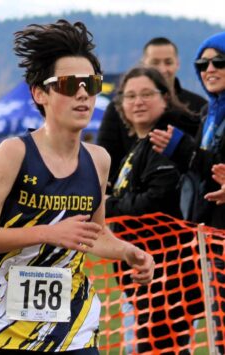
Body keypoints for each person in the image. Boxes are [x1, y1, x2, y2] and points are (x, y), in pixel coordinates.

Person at [0, 20, 154, 354]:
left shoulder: (98, 159)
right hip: (10, 336)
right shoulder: (14, 153)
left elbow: (94, 233)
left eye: (90, 84)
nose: (82, 94)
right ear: (40, 93)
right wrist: (48, 233)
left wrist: (127, 252)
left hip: (75, 333)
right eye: (68, 84)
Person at [106, 66, 198, 354]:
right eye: (130, 95)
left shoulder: (163, 140)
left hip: (167, 271)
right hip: (143, 270)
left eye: (147, 94)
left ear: (165, 98)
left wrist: (108, 205)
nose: (138, 101)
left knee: (159, 347)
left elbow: (155, 202)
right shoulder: (140, 144)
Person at [149, 31, 225, 354]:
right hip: (210, 233)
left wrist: (185, 151)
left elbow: (214, 164)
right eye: (202, 63)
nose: (209, 69)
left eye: (219, 61)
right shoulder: (209, 113)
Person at [97, 37, 207, 189]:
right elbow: (106, 156)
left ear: (178, 63)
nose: (162, 69)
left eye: (168, 62)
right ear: (144, 64)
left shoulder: (197, 106)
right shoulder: (117, 108)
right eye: (155, 62)